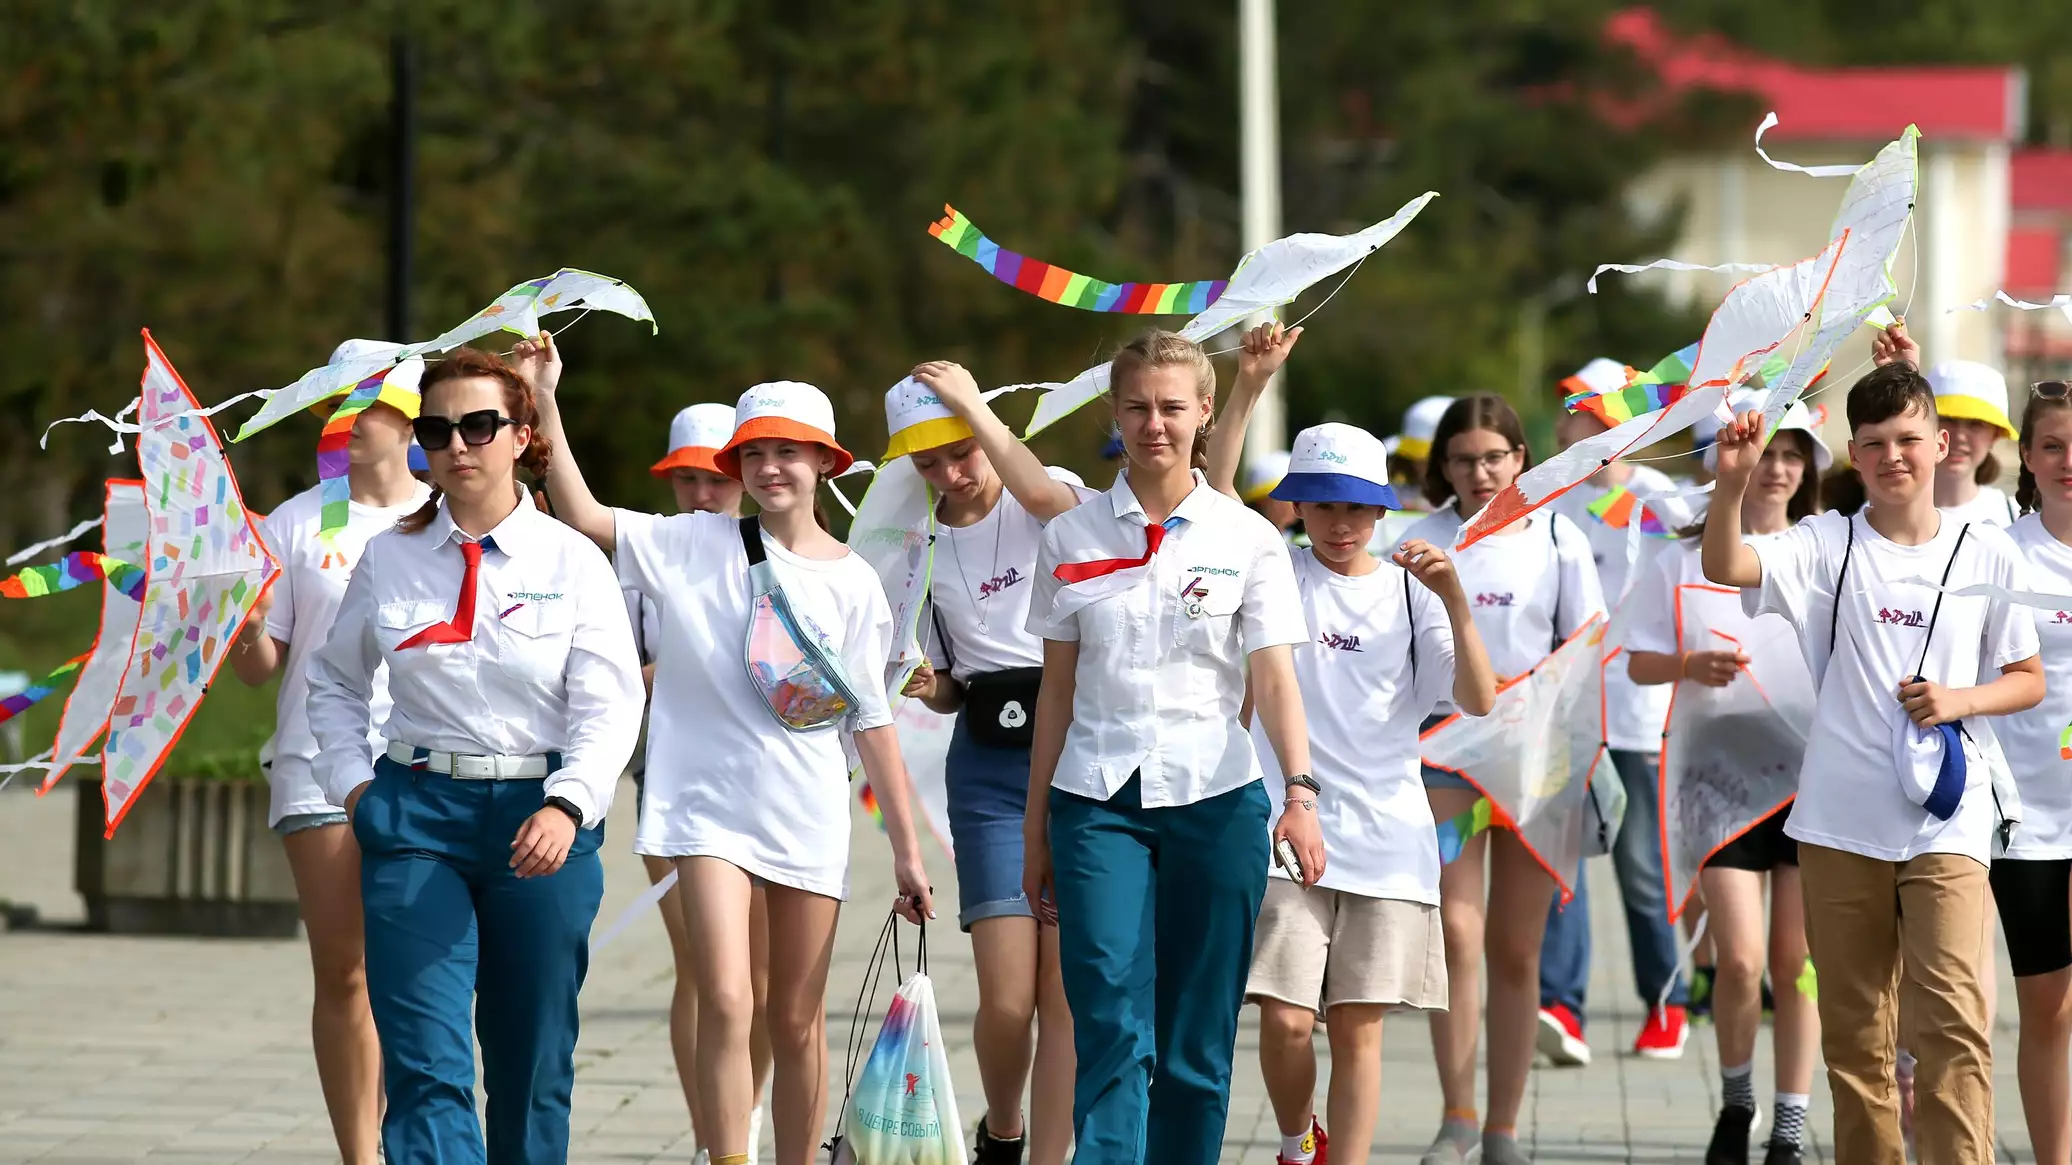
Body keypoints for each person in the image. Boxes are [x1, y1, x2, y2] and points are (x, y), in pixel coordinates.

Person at [531, 341, 935, 1165]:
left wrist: (906, 848)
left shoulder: (856, 580)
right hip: (702, 806)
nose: (771, 466)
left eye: (788, 450)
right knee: (724, 995)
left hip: (807, 809)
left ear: (824, 461)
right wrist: (546, 400)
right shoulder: (690, 541)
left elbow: (871, 719)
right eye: (755, 452)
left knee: (796, 1017)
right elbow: (583, 514)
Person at [305, 345, 645, 1163]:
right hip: (415, 817)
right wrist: (356, 790)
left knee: (531, 1062)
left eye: (479, 424)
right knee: (424, 1061)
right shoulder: (388, 555)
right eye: (436, 429)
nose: (457, 445)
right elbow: (333, 683)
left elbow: (610, 703)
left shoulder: (574, 560)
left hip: (542, 823)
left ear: (523, 434)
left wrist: (570, 805)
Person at [1701, 363, 2044, 1164]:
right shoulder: (1827, 542)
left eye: (1910, 440)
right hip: (1837, 822)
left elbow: (2026, 681)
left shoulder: (1988, 551)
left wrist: (1959, 700)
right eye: (1877, 444)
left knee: (1953, 1023)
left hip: (1946, 822)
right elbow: (1727, 566)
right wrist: (1730, 485)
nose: (1895, 456)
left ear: (1942, 443)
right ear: (1852, 456)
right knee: (1857, 1037)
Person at [1021, 326, 1323, 1165]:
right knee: (1110, 1012)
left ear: (1203, 413)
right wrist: (1034, 827)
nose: (1154, 423)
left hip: (1217, 799)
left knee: (1197, 1037)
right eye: (1137, 407)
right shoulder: (1072, 537)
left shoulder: (1247, 539)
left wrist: (1300, 794)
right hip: (1096, 800)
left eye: (1171, 407)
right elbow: (1056, 690)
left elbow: (1273, 681)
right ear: (1115, 414)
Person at [1210, 406, 1499, 1165]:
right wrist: (1249, 388)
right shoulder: (1274, 570)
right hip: (1281, 827)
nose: (1341, 522)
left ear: (1381, 506)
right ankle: (1295, 1134)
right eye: (1324, 502)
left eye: (1356, 504)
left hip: (1389, 837)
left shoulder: (1411, 590)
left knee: (1358, 1028)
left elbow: (1479, 697)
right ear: (1297, 504)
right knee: (1284, 1021)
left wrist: (1456, 599)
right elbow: (1213, 493)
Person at [230, 339, 431, 1165]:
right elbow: (259, 668)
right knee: (345, 969)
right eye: (333, 407)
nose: (344, 423)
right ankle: (362, 1155)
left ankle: (419, 1135)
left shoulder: (444, 514)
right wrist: (242, 622)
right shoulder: (295, 520)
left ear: (407, 414)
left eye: (362, 406)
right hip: (315, 757)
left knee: (418, 975)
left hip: (426, 761)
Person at [888, 364, 1093, 1165]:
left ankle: (1051, 1156)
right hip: (991, 770)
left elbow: (1056, 509)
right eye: (927, 462)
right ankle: (1001, 1130)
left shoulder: (1045, 490)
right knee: (1009, 1000)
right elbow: (943, 690)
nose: (950, 474)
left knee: (1065, 997)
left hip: (1080, 753)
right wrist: (922, 681)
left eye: (961, 450)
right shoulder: (914, 545)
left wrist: (976, 407)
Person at [1625, 396, 1830, 1165]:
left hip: (1815, 778)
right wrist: (1688, 665)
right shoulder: (1678, 558)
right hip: (1714, 781)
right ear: (1724, 457)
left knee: (1797, 961)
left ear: (1808, 468)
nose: (1776, 468)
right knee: (1739, 960)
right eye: (1763, 451)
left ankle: (1789, 1122)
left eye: (1792, 454)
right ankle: (1737, 1099)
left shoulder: (1822, 547)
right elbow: (1638, 658)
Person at [1402, 393, 1605, 1165]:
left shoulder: (1560, 536)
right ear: (1441, 466)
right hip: (1443, 750)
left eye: (1495, 456)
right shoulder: (1417, 539)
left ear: (1522, 458)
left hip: (1536, 762)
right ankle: (1457, 1116)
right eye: (1463, 458)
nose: (1480, 471)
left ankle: (1502, 1130)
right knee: (1455, 931)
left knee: (1518, 949)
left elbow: (1586, 653)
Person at [631, 402, 773, 1163]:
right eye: (686, 478)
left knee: (762, 973)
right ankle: (711, 1135)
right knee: (704, 965)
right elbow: (606, 671)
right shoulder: (649, 552)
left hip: (768, 769)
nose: (702, 493)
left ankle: (744, 1113)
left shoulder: (780, 545)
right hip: (670, 767)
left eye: (714, 477)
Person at [1539, 359, 1691, 1063]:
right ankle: (1560, 1008)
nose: (1564, 420)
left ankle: (1667, 1003)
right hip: (1565, 714)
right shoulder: (1553, 499)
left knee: (1639, 864)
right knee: (1561, 859)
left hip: (1638, 711)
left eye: (1576, 409)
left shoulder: (1666, 499)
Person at [1991, 380, 2072, 1165]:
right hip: (2028, 818)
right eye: (2053, 445)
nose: (2069, 461)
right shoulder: (2003, 553)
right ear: (2028, 455)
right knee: (2045, 1007)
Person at [1873, 319, 2020, 526]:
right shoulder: (1878, 514)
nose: (1959, 436)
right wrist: (1898, 383)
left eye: (1976, 424)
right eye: (1948, 420)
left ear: (1996, 435)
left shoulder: (2016, 518)